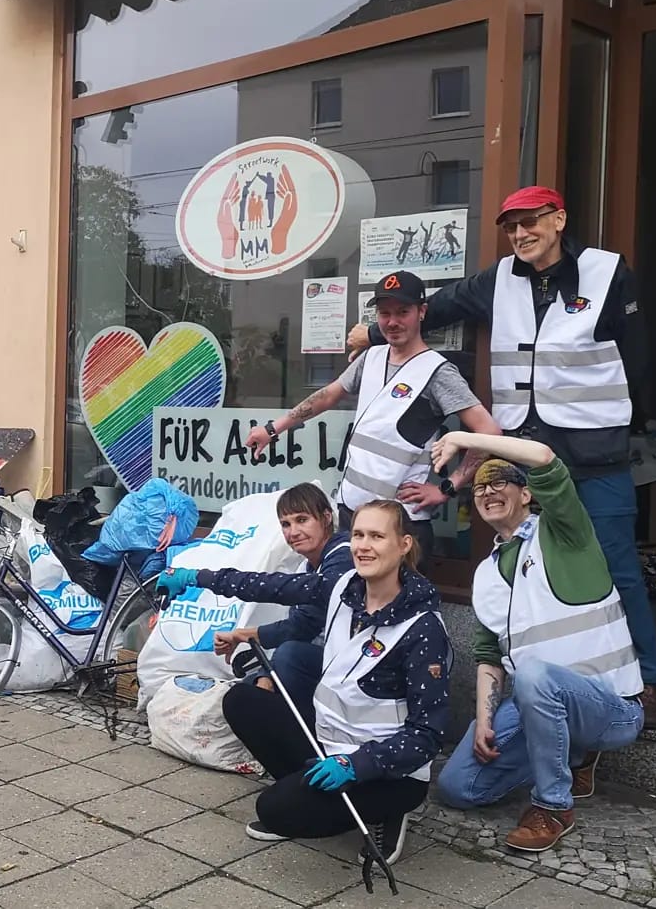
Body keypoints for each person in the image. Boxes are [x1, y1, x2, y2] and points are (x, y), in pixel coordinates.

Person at [346, 186, 656, 728]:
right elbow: (437, 306)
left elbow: (637, 358)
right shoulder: (499, 280)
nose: (520, 234)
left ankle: (645, 683)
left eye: (531, 221)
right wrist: (377, 331)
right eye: (512, 226)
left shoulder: (607, 273)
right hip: (523, 455)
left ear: (559, 220)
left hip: (595, 453)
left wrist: (638, 420)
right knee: (525, 566)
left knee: (618, 568)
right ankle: (539, 678)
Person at [157, 500, 449, 866]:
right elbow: (270, 586)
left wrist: (357, 765)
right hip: (331, 744)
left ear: (404, 544)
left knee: (274, 809)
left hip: (389, 771)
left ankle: (385, 812)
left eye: (377, 536)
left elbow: (427, 735)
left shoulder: (422, 629)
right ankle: (312, 795)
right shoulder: (343, 588)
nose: (363, 546)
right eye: (358, 535)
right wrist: (195, 577)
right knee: (241, 700)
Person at [431, 430, 646, 852]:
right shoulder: (485, 574)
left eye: (499, 482)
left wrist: (461, 436)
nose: (487, 491)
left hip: (613, 707)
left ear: (527, 494)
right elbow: (488, 656)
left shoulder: (564, 532)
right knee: (458, 787)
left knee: (533, 676)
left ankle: (553, 806)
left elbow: (544, 457)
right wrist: (484, 721)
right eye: (479, 488)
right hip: (539, 703)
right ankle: (570, 755)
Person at [247, 271, 500, 558]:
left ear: (422, 312)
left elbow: (489, 433)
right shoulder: (371, 357)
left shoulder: (437, 372)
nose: (392, 322)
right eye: (384, 313)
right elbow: (328, 395)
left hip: (398, 525)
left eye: (402, 312)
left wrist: (446, 488)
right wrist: (273, 429)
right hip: (352, 513)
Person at [215, 482, 352, 728]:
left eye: (302, 520)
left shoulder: (343, 556)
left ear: (326, 517)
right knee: (243, 695)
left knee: (290, 656)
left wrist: (242, 635)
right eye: (286, 524)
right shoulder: (306, 565)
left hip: (356, 667)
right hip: (326, 661)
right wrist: (265, 674)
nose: (293, 532)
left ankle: (313, 736)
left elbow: (304, 626)